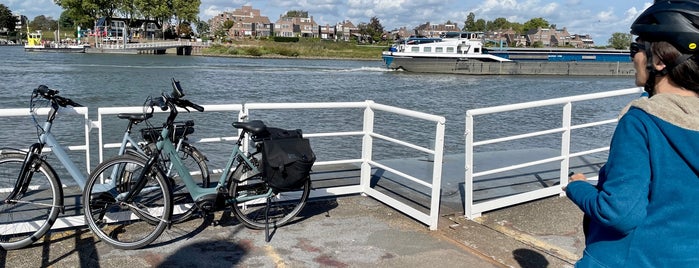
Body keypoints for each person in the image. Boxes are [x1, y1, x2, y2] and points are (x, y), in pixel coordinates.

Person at [566, 1, 699, 267]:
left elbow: (620, 213)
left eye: (635, 48)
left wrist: (577, 186)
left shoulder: (641, 121)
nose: (632, 58)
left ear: (659, 60)